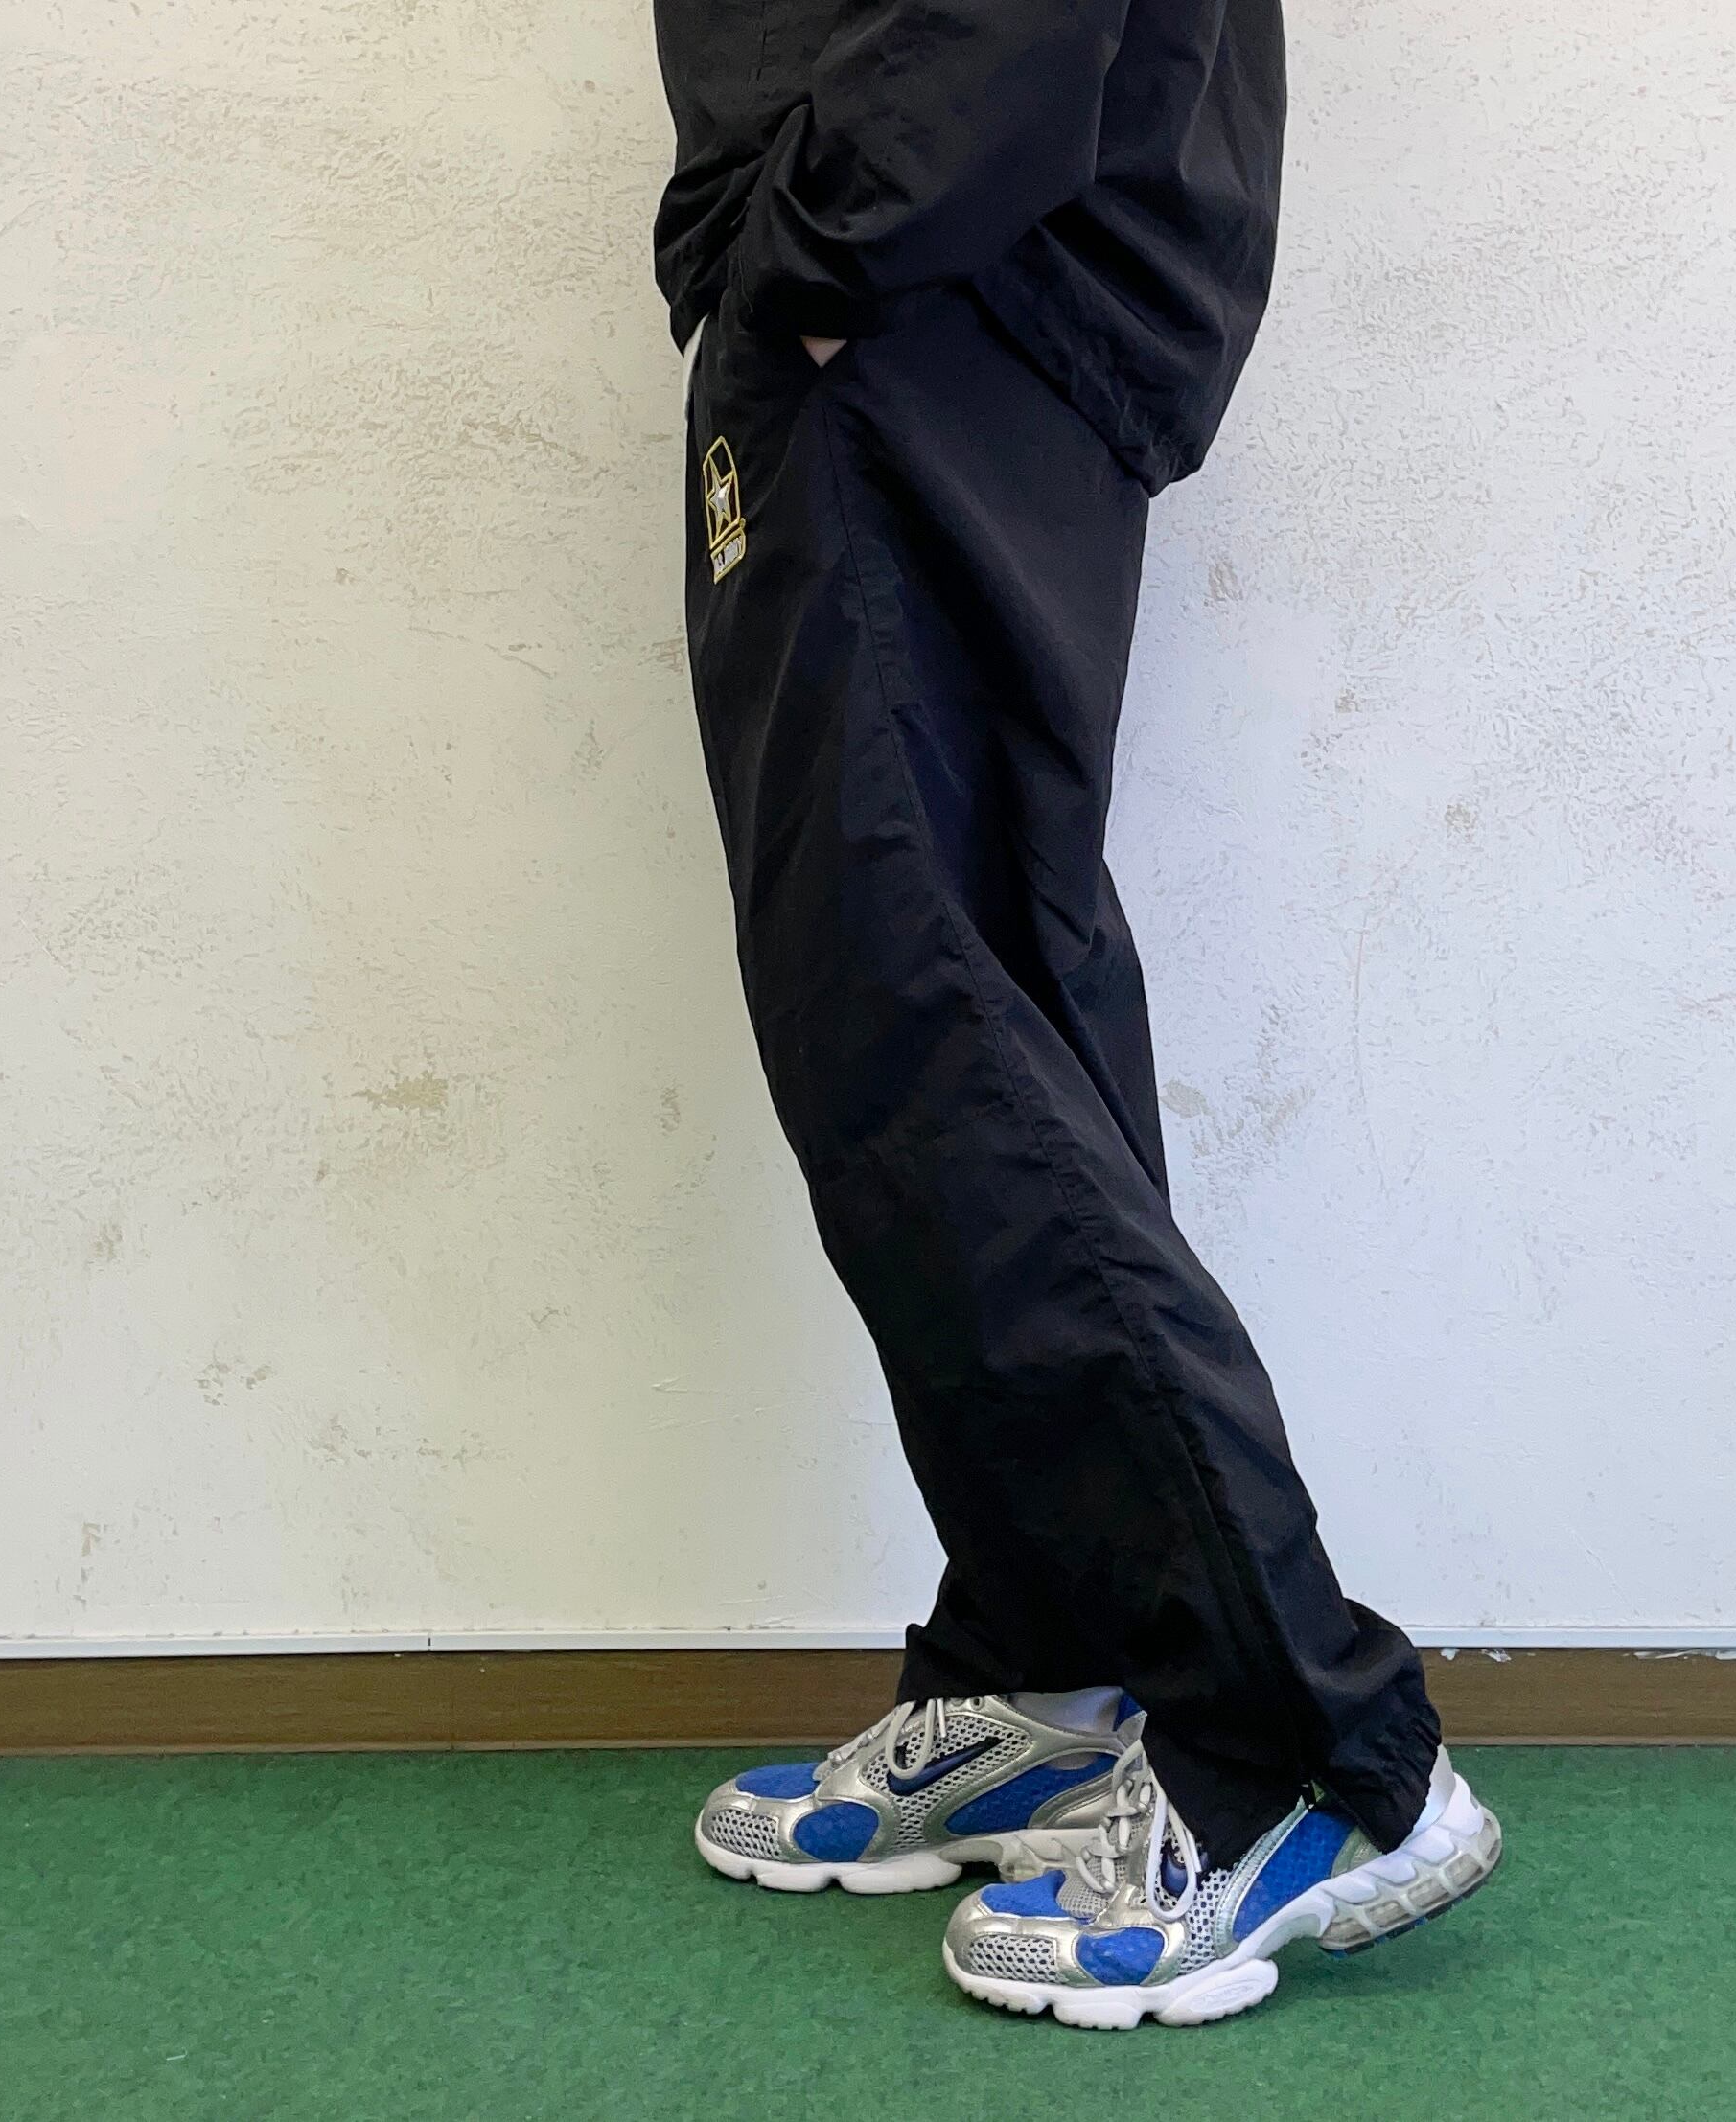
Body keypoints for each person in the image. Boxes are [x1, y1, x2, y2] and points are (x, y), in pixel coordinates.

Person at [650, 0, 1500, 2027]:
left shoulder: (875, 267)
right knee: (985, 1003)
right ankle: (1053, 1664)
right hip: (954, 289)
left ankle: (1310, 1751)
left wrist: (819, 247)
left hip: (916, 291)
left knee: (924, 1030)